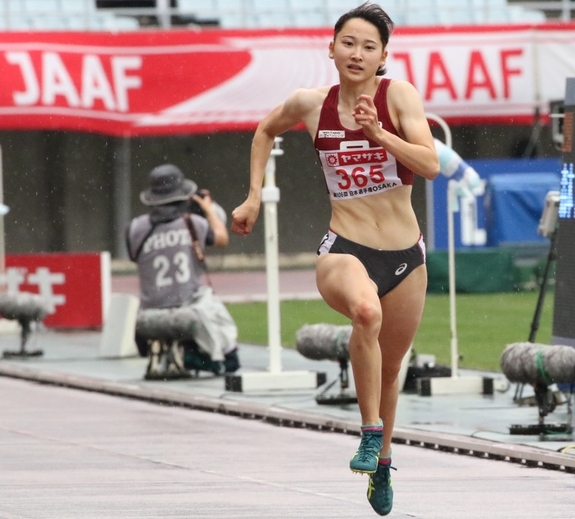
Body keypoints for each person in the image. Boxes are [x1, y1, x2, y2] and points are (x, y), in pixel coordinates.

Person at [231, 2, 438, 515]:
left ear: (383, 56)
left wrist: (379, 135)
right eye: (348, 42)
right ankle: (370, 433)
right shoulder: (310, 104)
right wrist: (254, 195)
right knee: (366, 312)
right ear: (331, 48)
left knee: (391, 372)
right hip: (344, 249)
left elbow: (431, 165)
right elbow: (263, 130)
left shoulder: (399, 96)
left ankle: (383, 464)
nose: (357, 53)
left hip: (405, 256)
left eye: (369, 46)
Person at [127, 163, 240, 375]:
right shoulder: (193, 223)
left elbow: (135, 257)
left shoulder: (135, 228)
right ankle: (228, 354)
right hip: (187, 304)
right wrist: (208, 209)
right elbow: (222, 238)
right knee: (209, 301)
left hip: (149, 309)